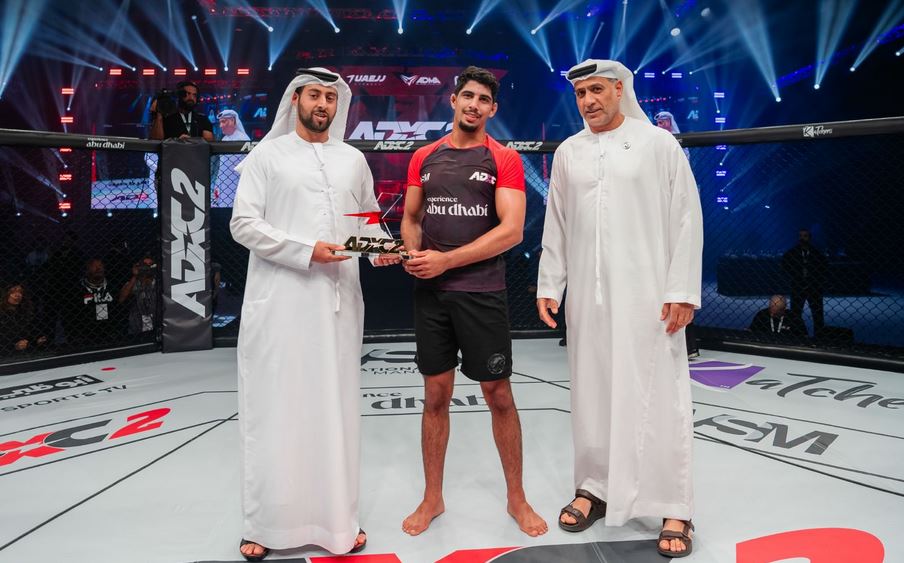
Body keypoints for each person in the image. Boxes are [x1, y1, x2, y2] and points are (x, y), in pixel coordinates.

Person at [230, 67, 399, 561]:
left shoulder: (352, 160)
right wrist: (306, 250)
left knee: (335, 410)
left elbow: (365, 220)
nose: (322, 104)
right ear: (295, 99)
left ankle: (338, 523)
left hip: (339, 304)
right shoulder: (267, 156)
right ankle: (265, 524)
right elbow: (243, 224)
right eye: (314, 95)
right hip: (280, 303)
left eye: (330, 97)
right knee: (276, 409)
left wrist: (383, 249)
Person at [536, 59, 703, 558]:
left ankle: (675, 505)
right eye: (580, 93)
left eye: (596, 90)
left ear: (618, 89)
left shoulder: (658, 144)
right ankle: (595, 487)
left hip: (650, 297)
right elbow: (557, 223)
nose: (588, 101)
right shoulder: (569, 151)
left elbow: (686, 217)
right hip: (588, 299)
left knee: (660, 396)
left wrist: (681, 290)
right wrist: (550, 283)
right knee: (591, 392)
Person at [400, 66, 548, 538]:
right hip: (432, 296)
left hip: (482, 292)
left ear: (492, 109)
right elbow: (411, 217)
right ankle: (432, 498)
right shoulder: (424, 156)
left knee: (498, 394)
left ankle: (516, 498)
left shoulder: (503, 158)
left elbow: (511, 231)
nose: (474, 105)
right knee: (435, 396)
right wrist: (413, 253)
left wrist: (446, 260)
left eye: (483, 99)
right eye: (467, 96)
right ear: (454, 100)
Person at [782, 229, 827, 334]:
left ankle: (819, 335)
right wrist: (795, 274)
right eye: (800, 236)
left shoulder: (817, 253)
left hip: (814, 286)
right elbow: (784, 265)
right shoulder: (792, 253)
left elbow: (824, 267)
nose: (802, 238)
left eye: (805, 236)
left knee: (817, 313)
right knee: (795, 312)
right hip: (798, 285)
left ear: (810, 238)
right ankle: (796, 334)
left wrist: (816, 278)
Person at [150, 80, 214, 141]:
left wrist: (191, 141)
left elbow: (209, 143)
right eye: (188, 94)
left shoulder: (202, 119)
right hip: (173, 149)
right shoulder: (167, 119)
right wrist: (158, 114)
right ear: (179, 96)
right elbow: (156, 141)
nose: (191, 98)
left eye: (194, 95)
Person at [0, 283, 47, 355]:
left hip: (28, 351)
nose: (17, 295)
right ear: (6, 295)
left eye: (20, 292)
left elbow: (33, 330)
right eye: (12, 292)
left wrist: (36, 340)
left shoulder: (27, 310)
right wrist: (14, 346)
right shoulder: (2, 312)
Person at [118, 256, 157, 339]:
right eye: (144, 265)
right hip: (137, 326)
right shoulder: (132, 283)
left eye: (150, 265)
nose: (147, 268)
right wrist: (135, 275)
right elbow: (122, 299)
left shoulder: (158, 282)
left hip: (156, 324)